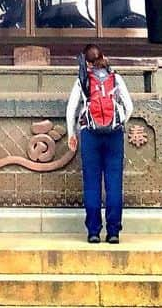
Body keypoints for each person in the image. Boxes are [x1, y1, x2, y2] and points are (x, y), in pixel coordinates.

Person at [65, 42, 133, 243]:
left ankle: (93, 231)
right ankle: (113, 232)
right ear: (103, 56)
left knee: (92, 183)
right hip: (114, 135)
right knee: (114, 183)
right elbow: (129, 107)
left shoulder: (83, 81)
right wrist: (118, 122)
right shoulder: (116, 78)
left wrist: (72, 133)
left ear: (86, 62)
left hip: (90, 135)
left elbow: (71, 109)